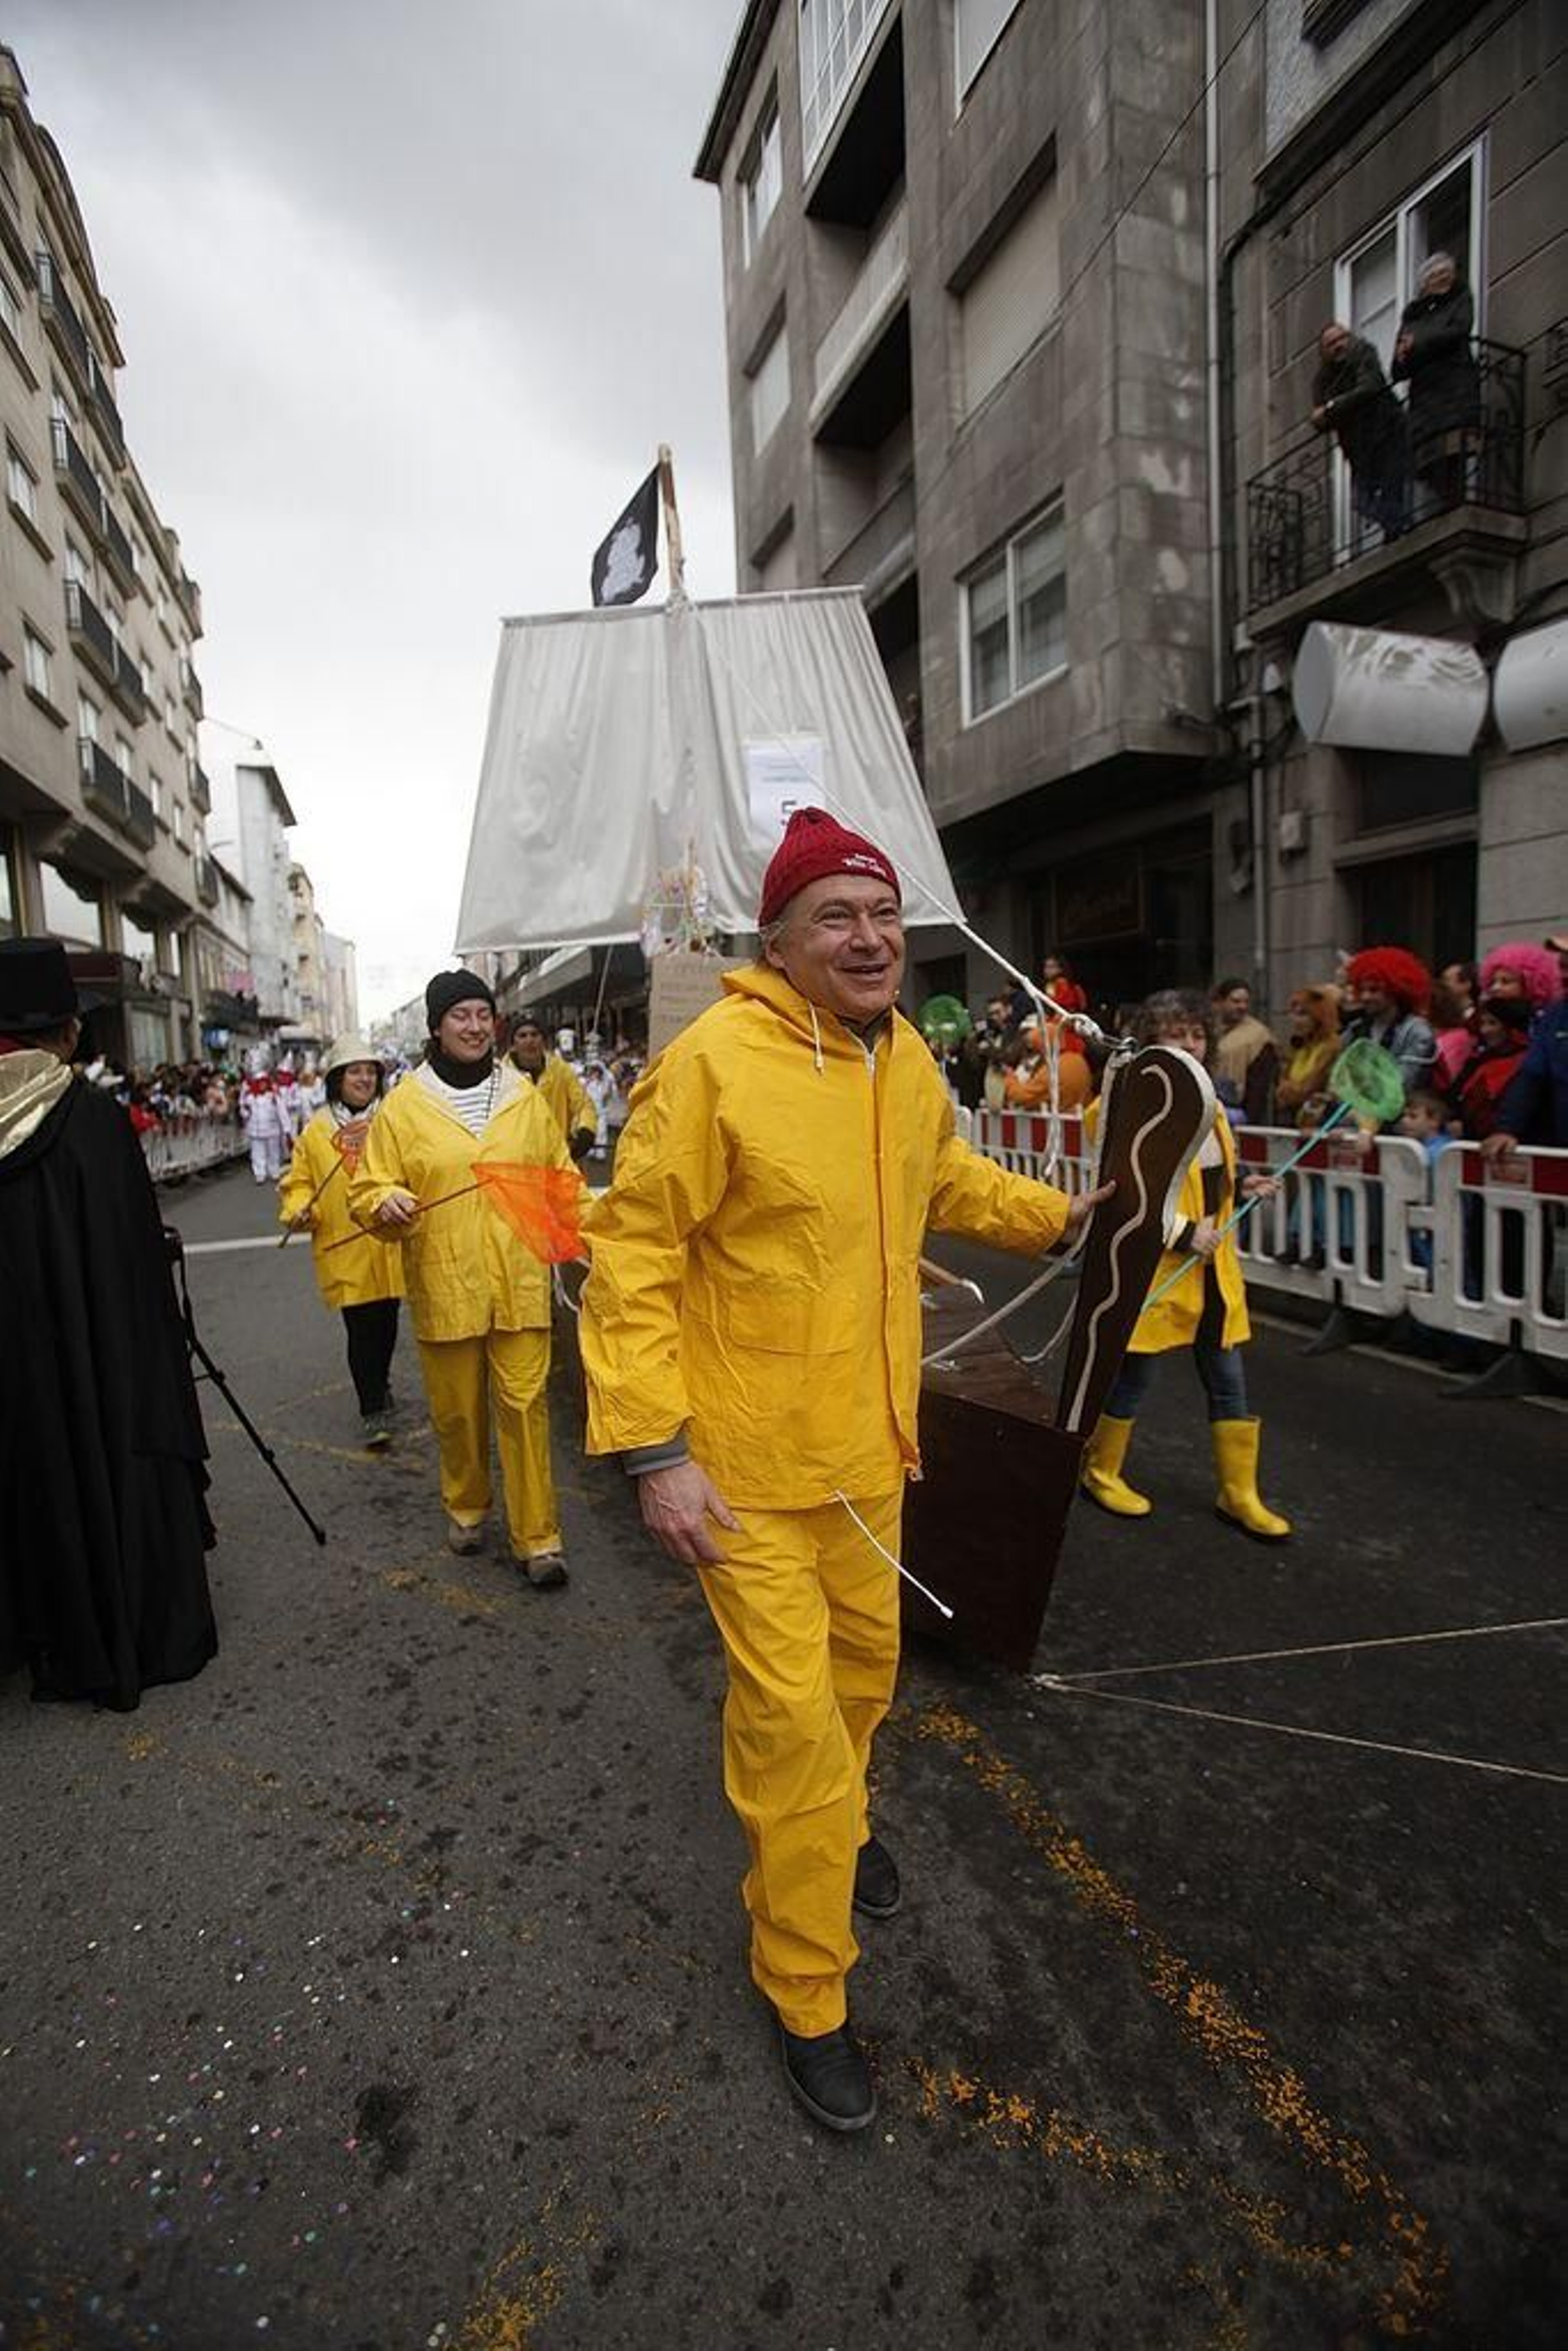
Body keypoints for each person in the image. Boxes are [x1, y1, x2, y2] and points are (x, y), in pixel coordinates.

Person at [578, 807, 1110, 2134]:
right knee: (796, 1732)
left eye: (882, 913)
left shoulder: (903, 1060)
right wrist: (655, 1449)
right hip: (744, 1473)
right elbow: (631, 1255)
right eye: (836, 916)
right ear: (778, 940)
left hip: (871, 1455)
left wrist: (1057, 1217)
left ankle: (828, 1833)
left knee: (862, 1681)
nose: (870, 937)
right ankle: (805, 1984)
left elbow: (943, 1177)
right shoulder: (710, 1066)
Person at [0, 939, 217, 1710]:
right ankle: (124, 1618)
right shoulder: (91, 1119)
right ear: (67, 1030)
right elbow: (134, 1263)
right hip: (103, 1360)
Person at [350, 970, 578, 1587]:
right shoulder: (404, 1106)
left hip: (519, 1280)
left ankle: (538, 1538)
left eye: (482, 1014)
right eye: (461, 1016)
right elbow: (368, 1187)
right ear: (436, 1026)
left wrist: (588, 1226)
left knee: (525, 1407)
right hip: (446, 1283)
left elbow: (560, 1176)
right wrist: (385, 1199)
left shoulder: (523, 1097)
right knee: (458, 1412)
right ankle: (467, 1506)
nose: (475, 1027)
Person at [1080, 989, 1289, 1543]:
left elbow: (1208, 1178)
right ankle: (1101, 1472)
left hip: (1214, 1273)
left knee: (1228, 1380)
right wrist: (1181, 1232)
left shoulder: (1212, 1105)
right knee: (1134, 1378)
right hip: (1153, 1272)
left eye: (1197, 1034)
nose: (1191, 1044)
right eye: (1176, 1034)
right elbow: (1125, 1196)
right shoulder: (1121, 1108)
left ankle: (1239, 1494)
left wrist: (1244, 1184)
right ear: (1150, 1043)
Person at [278, 1033, 405, 1448]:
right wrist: (300, 1208)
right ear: (337, 1078)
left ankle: (379, 1383)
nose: (365, 1079)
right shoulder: (316, 1130)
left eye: (370, 1072)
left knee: (387, 1325)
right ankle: (372, 1408)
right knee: (362, 1330)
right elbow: (299, 1182)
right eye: (355, 1072)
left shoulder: (393, 1119)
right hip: (345, 1246)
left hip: (389, 1245)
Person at [1391, 252, 1481, 513]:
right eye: (1435, 275)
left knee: (1453, 453)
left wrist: (1418, 343)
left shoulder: (1460, 299)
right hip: (1424, 401)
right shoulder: (1412, 317)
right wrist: (1403, 355)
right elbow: (1398, 371)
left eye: (1446, 273)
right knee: (1428, 463)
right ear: (1425, 284)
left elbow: (1460, 330)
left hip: (1455, 389)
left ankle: (1455, 505)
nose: (1442, 279)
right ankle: (1446, 505)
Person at [1311, 320, 1409, 541]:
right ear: (1324, 352)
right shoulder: (1322, 379)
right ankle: (1398, 525)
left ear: (1349, 338)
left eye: (1341, 338)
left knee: (1391, 490)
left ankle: (1397, 532)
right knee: (1362, 501)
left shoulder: (1364, 352)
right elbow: (1318, 419)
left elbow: (1368, 388)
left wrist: (1332, 408)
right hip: (1358, 448)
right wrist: (1327, 413)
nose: (1338, 345)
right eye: (1331, 344)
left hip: (1386, 432)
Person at [1342, 948, 1437, 1103]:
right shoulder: (1354, 1029)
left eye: (1374, 990)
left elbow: (1402, 1085)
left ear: (1395, 991)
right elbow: (1341, 1077)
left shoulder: (1417, 1032)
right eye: (1361, 990)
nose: (1365, 997)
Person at [509, 1014, 597, 1162]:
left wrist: (586, 1130)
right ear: (513, 1044)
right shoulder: (501, 1077)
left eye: (534, 1034)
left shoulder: (561, 1070)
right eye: (522, 1035)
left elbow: (583, 1105)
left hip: (558, 1161)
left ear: (543, 1040)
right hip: (515, 1163)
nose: (529, 1040)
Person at [1446, 998, 1531, 1143]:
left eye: (1492, 1023)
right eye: (1482, 1023)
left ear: (1510, 1027)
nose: (1484, 1030)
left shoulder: (1528, 1063)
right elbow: (1453, 1095)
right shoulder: (1477, 1060)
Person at [1211, 977, 1278, 1124]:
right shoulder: (1213, 1030)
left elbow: (1259, 1086)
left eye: (1246, 1002)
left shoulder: (1258, 1036)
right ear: (1220, 1002)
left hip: (1240, 1110)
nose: (1242, 1006)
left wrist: (1250, 1119)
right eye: (1235, 1001)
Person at [239, 1052, 291, 1184]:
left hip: (272, 1128)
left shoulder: (273, 1094)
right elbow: (242, 1108)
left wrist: (287, 1129)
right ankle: (260, 1173)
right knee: (257, 1152)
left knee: (273, 1151)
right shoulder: (249, 1095)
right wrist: (245, 1113)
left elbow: (282, 1110)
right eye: (259, 1083)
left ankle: (274, 1171)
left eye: (264, 1082)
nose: (262, 1085)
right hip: (255, 1129)